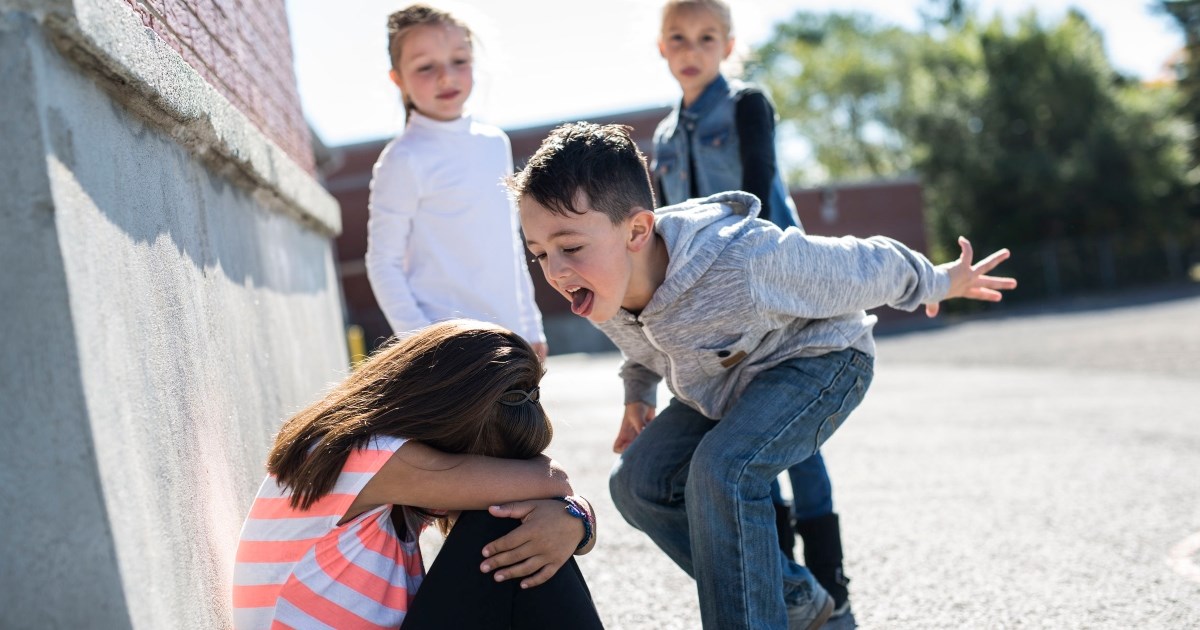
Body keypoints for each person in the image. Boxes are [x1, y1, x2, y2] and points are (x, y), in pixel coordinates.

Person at [510, 122, 1015, 630]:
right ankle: (793, 597)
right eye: (539, 253)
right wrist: (637, 395)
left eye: (569, 247)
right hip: (724, 385)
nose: (554, 270)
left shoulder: (743, 261)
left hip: (820, 362)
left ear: (637, 231)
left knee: (722, 470)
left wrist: (939, 281)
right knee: (637, 484)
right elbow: (643, 349)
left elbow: (864, 264)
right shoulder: (610, 288)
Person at [650, 0, 839, 613]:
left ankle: (832, 584)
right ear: (661, 48)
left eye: (706, 38)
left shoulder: (746, 104)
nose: (691, 49)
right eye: (677, 38)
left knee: (797, 441)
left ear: (728, 47)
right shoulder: (662, 136)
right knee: (747, 435)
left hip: (778, 289)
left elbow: (758, 184)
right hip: (713, 309)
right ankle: (784, 586)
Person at [231, 320, 603, 629]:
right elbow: (552, 482)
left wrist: (573, 521)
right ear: (448, 423)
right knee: (502, 521)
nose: (492, 475)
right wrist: (573, 513)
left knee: (524, 525)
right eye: (489, 463)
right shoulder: (364, 454)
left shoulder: (386, 473)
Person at [366, 5, 547, 360]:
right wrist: (423, 343)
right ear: (398, 79)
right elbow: (382, 262)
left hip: (511, 340)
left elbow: (509, 245)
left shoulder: (495, 143)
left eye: (459, 61)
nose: (446, 77)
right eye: (425, 67)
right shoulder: (403, 159)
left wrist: (531, 326)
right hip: (449, 353)